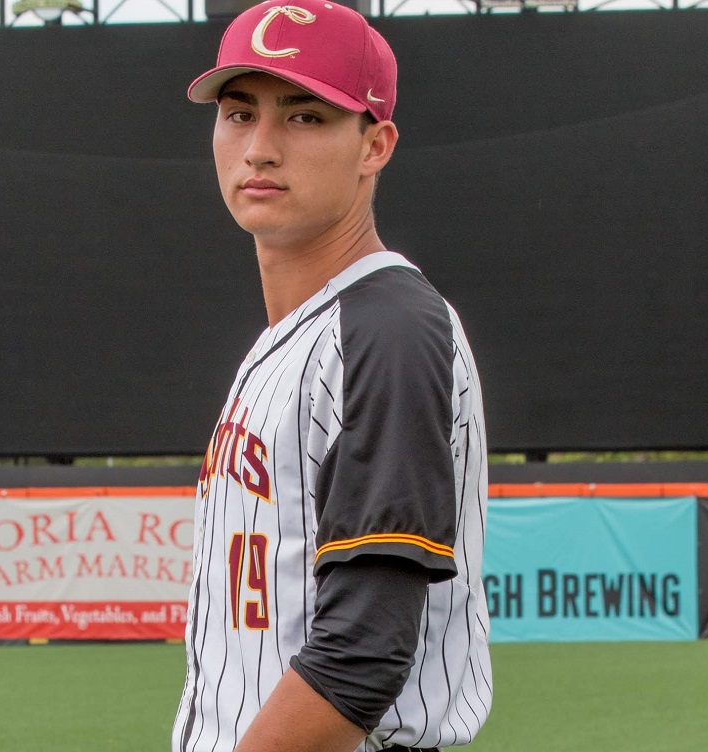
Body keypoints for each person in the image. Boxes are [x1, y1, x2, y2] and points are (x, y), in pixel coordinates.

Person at [172, 3, 492, 751]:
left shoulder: (385, 331)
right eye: (238, 112)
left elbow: (362, 654)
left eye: (305, 117)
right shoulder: (298, 338)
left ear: (374, 145)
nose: (259, 148)